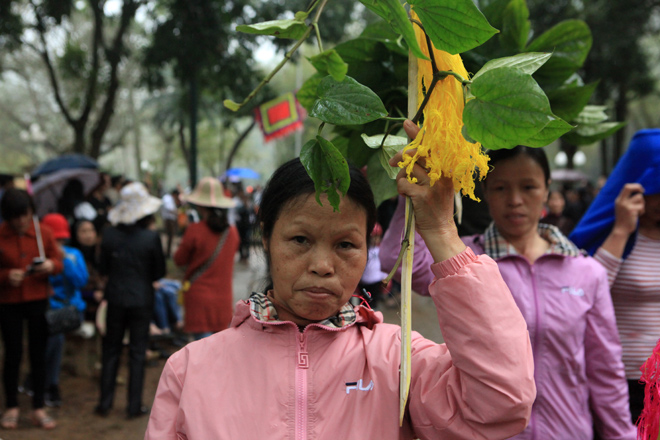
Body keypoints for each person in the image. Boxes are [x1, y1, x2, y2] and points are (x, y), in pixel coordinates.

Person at [144, 144, 536, 439]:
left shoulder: (398, 361)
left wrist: (441, 231)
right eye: (300, 239)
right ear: (265, 237)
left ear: (368, 247)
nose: (322, 265)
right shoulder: (190, 370)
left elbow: (501, 402)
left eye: (346, 245)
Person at [380, 123, 636, 440]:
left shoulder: (585, 271)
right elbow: (397, 261)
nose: (515, 200)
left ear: (546, 189)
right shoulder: (464, 261)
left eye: (528, 187)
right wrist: (418, 190)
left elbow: (605, 370)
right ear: (485, 193)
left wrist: (622, 434)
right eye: (501, 188)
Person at [570, 129, 660, 423]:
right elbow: (583, 294)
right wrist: (621, 228)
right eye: (654, 188)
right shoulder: (613, 233)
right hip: (618, 382)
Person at [95, 182, 166, 419]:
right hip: (141, 301)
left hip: (114, 298)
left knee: (111, 350)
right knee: (137, 352)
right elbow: (158, 272)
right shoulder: (150, 237)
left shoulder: (109, 235)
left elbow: (102, 268)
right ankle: (133, 407)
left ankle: (104, 404)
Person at [0, 188, 63, 430]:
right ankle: (12, 406)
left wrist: (49, 265)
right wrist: (6, 276)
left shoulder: (43, 233)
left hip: (38, 299)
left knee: (39, 354)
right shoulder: (1, 235)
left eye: (25, 215)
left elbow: (58, 263)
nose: (21, 221)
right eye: (15, 216)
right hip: (8, 302)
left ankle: (38, 406)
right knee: (13, 353)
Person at [173, 177, 239, 340]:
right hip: (223, 301)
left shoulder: (194, 230)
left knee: (203, 356)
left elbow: (179, 260)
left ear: (200, 205)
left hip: (198, 301)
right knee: (220, 354)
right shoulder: (232, 233)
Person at [40, 213, 88, 408]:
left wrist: (65, 261)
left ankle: (47, 384)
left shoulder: (74, 255)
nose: (58, 242)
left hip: (72, 310)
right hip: (50, 309)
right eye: (55, 239)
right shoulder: (41, 257)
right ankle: (49, 384)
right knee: (53, 337)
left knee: (55, 335)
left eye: (61, 239)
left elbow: (81, 282)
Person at [160, 188, 180, 258]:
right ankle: (167, 253)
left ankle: (168, 252)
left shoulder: (171, 199)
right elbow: (169, 209)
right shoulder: (167, 198)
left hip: (171, 219)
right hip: (169, 220)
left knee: (171, 237)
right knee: (169, 236)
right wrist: (178, 212)